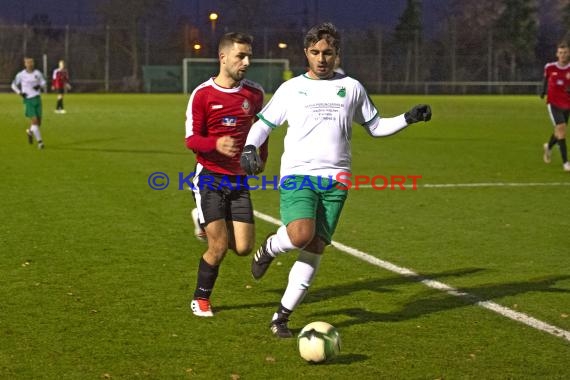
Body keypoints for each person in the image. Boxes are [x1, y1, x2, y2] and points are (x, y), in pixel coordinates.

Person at [240, 22, 432, 337]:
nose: (321, 58)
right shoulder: (292, 89)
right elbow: (264, 124)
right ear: (306, 53)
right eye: (315, 52)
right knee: (301, 234)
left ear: (337, 54)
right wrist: (250, 146)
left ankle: (281, 316)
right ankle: (272, 247)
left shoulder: (352, 88)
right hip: (299, 174)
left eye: (327, 52)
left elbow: (375, 126)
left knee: (315, 245)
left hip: (337, 180)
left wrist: (408, 118)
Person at [185, 32, 268, 317]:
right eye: (240, 56)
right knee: (218, 247)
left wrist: (261, 159)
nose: (246, 62)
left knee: (243, 248)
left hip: (239, 180)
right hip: (209, 176)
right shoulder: (203, 94)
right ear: (223, 58)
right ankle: (201, 299)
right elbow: (191, 139)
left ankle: (202, 219)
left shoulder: (254, 94)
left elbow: (262, 130)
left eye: (249, 57)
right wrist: (215, 144)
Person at [541, 42, 570, 172]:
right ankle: (566, 163)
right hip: (553, 103)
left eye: (565, 53)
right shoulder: (550, 67)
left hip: (567, 103)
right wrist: (542, 91)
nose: (563, 55)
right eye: (560, 53)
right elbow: (546, 79)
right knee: (562, 130)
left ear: (568, 54)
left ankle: (548, 146)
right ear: (557, 54)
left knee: (559, 131)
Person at [11, 57, 47, 149]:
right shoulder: (21, 75)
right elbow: (13, 85)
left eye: (31, 62)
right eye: (28, 63)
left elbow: (44, 82)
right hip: (28, 100)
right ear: (25, 64)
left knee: (38, 123)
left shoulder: (37, 73)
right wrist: (20, 93)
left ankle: (30, 131)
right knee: (34, 121)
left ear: (33, 63)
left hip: (37, 99)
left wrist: (39, 86)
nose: (30, 64)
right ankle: (40, 142)